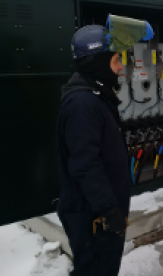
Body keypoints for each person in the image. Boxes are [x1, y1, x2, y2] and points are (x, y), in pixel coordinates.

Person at [57, 23, 152, 276]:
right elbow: (85, 165)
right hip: (93, 216)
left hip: (100, 212)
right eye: (115, 59)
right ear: (97, 61)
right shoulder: (83, 104)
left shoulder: (96, 96)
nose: (121, 67)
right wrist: (109, 210)